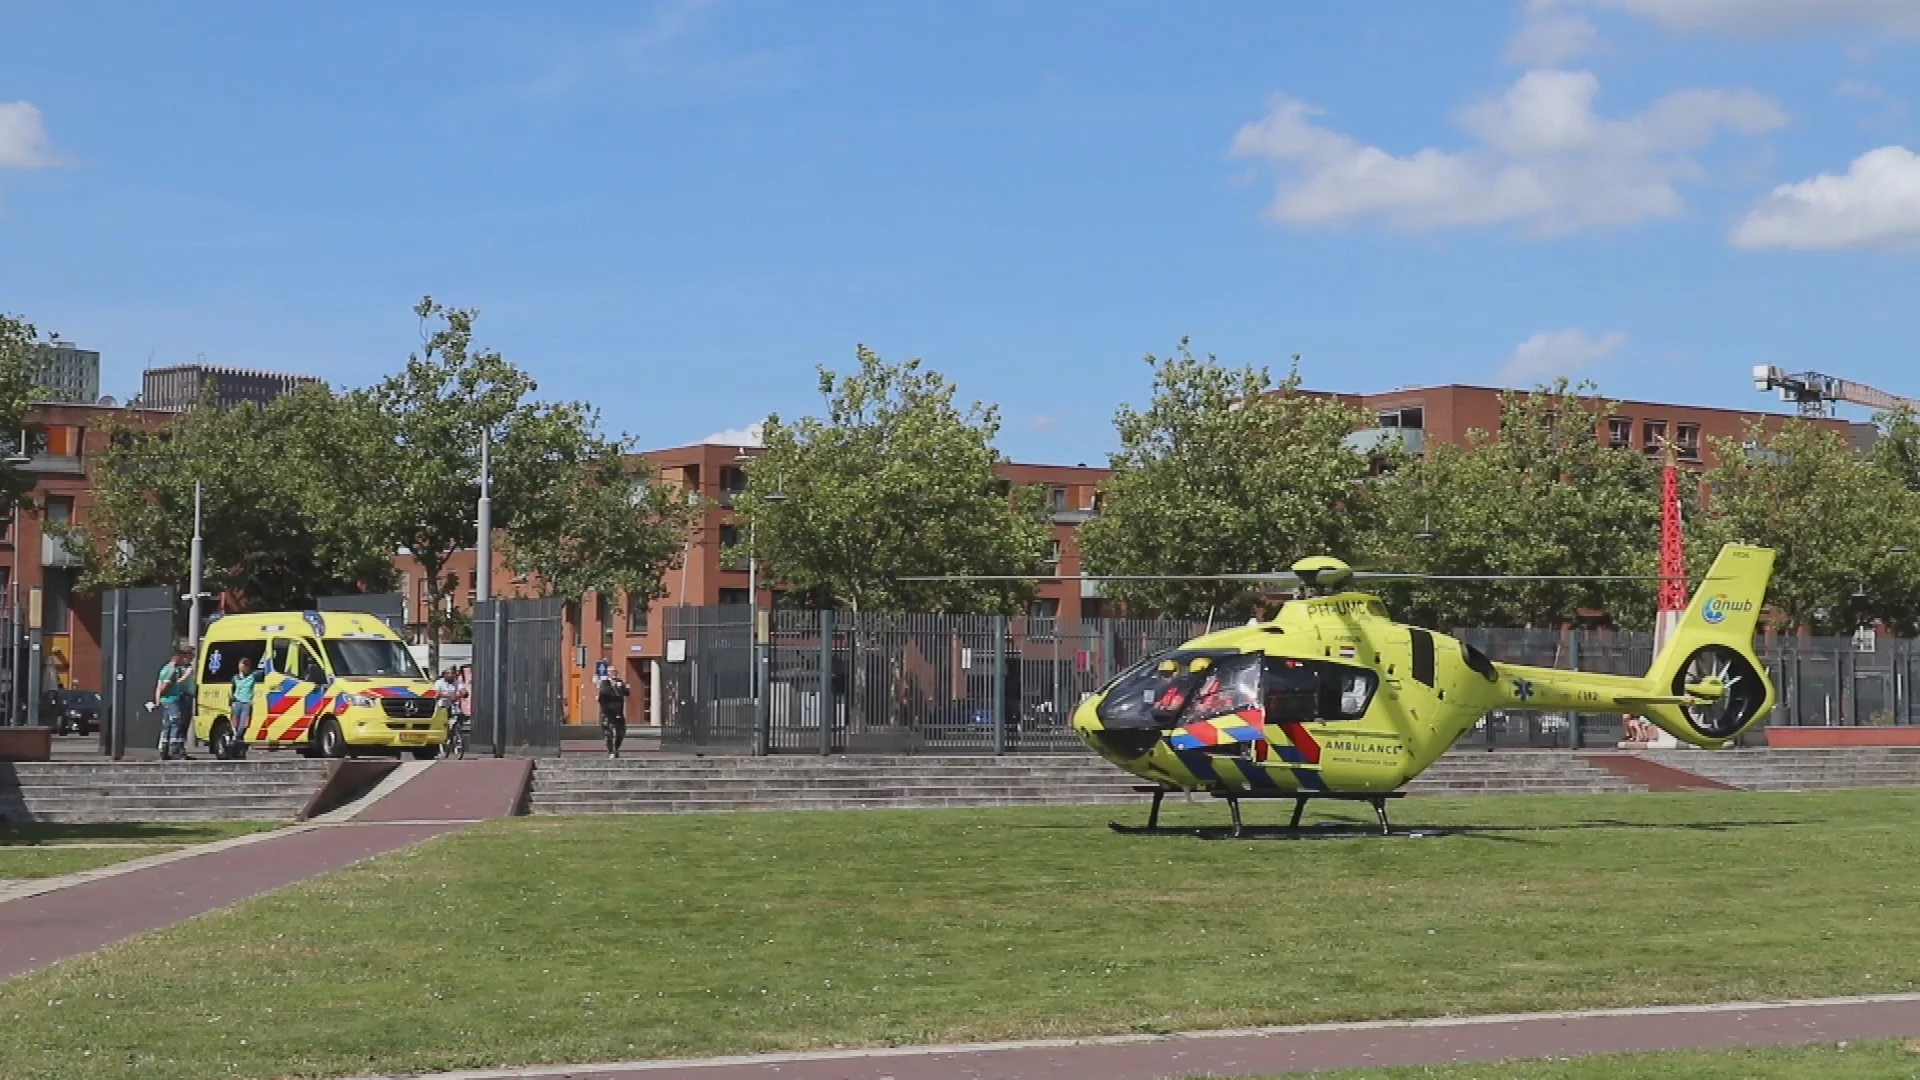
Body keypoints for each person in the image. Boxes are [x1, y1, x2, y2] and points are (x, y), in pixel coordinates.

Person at [153, 644, 196, 761]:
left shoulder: (169, 668)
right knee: (176, 723)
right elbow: (166, 685)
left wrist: (158, 700)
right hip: (175, 698)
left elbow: (159, 686)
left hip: (174, 698)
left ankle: (167, 749)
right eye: (190, 655)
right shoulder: (174, 669)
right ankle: (175, 750)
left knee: (170, 725)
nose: (192, 658)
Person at [227, 655, 258, 759]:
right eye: (240, 666)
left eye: (244, 667)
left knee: (243, 726)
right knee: (235, 726)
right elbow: (232, 690)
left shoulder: (252, 677)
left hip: (247, 704)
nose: (242, 669)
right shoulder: (235, 678)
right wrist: (232, 702)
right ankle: (236, 749)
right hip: (237, 703)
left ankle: (237, 744)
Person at [597, 674, 631, 758]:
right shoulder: (605, 685)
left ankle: (616, 748)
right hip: (607, 713)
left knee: (621, 732)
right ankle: (611, 751)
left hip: (618, 714)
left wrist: (622, 687)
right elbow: (602, 696)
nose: (613, 678)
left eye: (614, 674)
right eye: (611, 674)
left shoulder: (619, 685)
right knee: (608, 733)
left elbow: (627, 693)